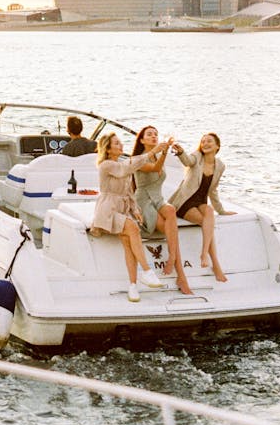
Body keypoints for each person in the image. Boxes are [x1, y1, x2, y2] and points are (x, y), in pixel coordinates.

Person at [91, 130, 165, 302]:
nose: (121, 145)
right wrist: (152, 152)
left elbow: (128, 192)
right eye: (117, 143)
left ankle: (132, 286)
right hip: (107, 210)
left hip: (122, 209)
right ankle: (146, 271)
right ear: (108, 149)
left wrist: (136, 209)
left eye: (120, 142)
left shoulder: (122, 163)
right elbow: (125, 169)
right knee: (132, 228)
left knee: (128, 243)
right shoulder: (107, 165)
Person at [132, 126, 192, 296]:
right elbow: (155, 169)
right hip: (144, 200)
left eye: (156, 134)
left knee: (171, 210)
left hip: (158, 198)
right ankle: (181, 276)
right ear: (141, 140)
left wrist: (163, 151)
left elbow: (158, 166)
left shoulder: (158, 155)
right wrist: (163, 151)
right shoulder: (138, 159)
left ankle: (172, 257)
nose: (154, 136)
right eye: (149, 134)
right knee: (170, 231)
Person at [169, 132, 235, 282]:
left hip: (201, 201)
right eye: (203, 141)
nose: (205, 143)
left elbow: (212, 190)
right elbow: (187, 161)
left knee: (209, 212)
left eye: (209, 141)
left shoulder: (220, 165)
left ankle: (204, 253)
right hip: (185, 202)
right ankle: (214, 263)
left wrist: (222, 211)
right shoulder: (197, 156)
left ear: (217, 146)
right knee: (206, 223)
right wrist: (180, 152)